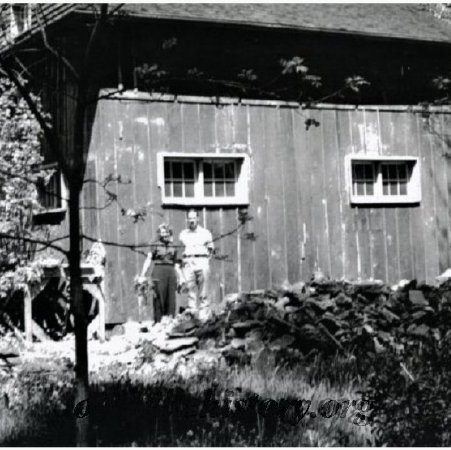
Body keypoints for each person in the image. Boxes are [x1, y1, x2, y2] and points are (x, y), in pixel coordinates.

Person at [139, 224, 180, 323]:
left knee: (171, 299)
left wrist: (180, 278)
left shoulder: (174, 246)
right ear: (160, 234)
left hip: (171, 272)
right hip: (158, 271)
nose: (165, 235)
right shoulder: (155, 245)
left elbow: (177, 264)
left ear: (170, 233)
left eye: (167, 233)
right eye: (163, 233)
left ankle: (170, 323)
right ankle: (158, 322)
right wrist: (142, 274)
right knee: (158, 298)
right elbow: (148, 259)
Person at [179, 209, 214, 320]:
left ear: (198, 219)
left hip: (202, 260)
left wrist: (205, 261)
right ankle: (192, 316)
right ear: (187, 220)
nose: (192, 220)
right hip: (188, 262)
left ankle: (204, 316)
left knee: (204, 290)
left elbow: (211, 250)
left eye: (194, 218)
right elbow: (179, 250)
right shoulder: (183, 234)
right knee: (190, 289)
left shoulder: (205, 233)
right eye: (190, 218)